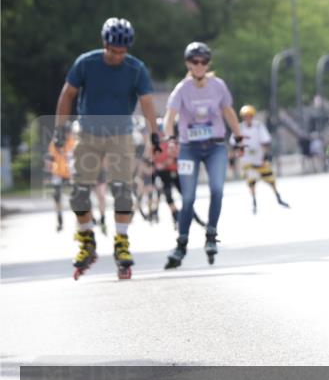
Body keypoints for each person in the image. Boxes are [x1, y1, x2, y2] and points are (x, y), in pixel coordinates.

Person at [53, 17, 160, 280]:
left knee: (123, 189)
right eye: (113, 51)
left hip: (121, 135)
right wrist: (60, 129)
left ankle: (121, 243)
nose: (117, 56)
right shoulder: (86, 63)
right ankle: (87, 240)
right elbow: (68, 94)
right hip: (87, 133)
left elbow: (147, 102)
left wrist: (155, 134)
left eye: (122, 52)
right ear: (105, 44)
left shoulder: (136, 69)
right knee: (79, 193)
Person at [163, 42, 242, 268]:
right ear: (188, 64)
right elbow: (170, 116)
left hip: (215, 146)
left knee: (217, 189)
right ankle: (181, 243)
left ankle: (211, 234)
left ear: (208, 64)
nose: (199, 66)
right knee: (188, 198)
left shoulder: (218, 86)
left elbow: (228, 112)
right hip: (189, 149)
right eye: (195, 62)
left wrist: (239, 137)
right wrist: (169, 138)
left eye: (204, 62)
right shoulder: (182, 89)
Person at [236, 104, 290, 213]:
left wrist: (265, 154)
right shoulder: (239, 128)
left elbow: (265, 141)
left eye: (250, 116)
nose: (248, 118)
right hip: (247, 160)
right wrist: (234, 158)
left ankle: (278, 197)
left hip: (259, 159)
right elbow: (235, 143)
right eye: (246, 116)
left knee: (271, 179)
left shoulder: (258, 126)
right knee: (251, 181)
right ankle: (254, 202)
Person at [45, 121, 77, 232]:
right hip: (58, 172)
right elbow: (49, 158)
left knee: (78, 195)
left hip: (71, 173)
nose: (68, 134)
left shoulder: (73, 142)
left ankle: (83, 218)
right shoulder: (55, 143)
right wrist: (48, 173)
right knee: (57, 196)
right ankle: (59, 218)